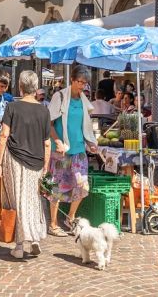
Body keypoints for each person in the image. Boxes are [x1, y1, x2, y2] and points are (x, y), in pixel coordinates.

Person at [0, 70, 51, 259]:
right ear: (36, 88)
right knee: (34, 200)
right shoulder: (44, 110)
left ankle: (19, 245)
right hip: (36, 161)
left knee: (16, 200)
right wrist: (46, 166)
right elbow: (47, 142)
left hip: (15, 158)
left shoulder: (12, 107)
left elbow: (3, 136)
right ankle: (34, 238)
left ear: (20, 86)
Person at [43, 68, 97, 236]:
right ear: (72, 80)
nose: (82, 85)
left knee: (82, 186)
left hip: (79, 150)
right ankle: (53, 224)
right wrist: (58, 142)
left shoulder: (83, 100)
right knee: (58, 187)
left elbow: (84, 126)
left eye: (85, 83)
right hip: (62, 151)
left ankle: (70, 218)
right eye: (79, 81)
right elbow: (49, 123)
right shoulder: (59, 97)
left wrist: (90, 141)